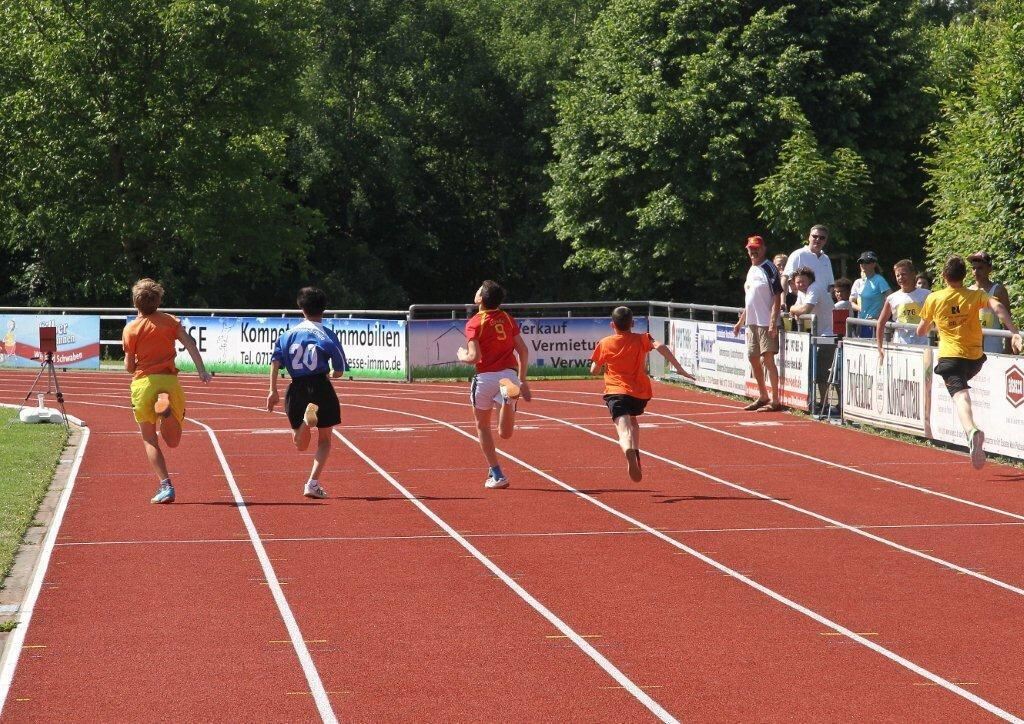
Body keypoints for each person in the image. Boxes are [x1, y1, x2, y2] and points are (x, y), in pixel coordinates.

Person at [916, 256, 1023, 469]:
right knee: (962, 388)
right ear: (965, 275)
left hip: (950, 357)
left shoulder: (934, 298)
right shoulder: (977, 295)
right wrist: (1014, 332)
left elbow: (921, 330)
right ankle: (972, 430)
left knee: (960, 397)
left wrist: (935, 324)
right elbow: (999, 308)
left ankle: (971, 430)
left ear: (943, 276)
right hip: (975, 359)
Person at [122, 278, 212, 504]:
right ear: (159, 300)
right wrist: (202, 371)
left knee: (150, 439)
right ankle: (167, 412)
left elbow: (129, 367)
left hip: (144, 383)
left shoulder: (131, 329)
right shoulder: (171, 321)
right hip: (170, 382)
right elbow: (190, 344)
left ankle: (166, 485)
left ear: (135, 303)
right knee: (173, 441)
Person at [590, 306, 694, 481]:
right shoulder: (642, 339)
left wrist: (601, 366)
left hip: (615, 391)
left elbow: (594, 370)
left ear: (612, 324)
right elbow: (660, 346)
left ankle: (628, 449)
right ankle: (635, 452)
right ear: (633, 323)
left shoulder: (605, 343)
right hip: (639, 394)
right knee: (633, 420)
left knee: (623, 431)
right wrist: (679, 368)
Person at [267, 288, 347, 499]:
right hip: (320, 386)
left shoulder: (286, 336)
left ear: (301, 308)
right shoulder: (327, 335)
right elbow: (339, 369)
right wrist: (332, 372)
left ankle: (305, 422)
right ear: (324, 309)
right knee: (325, 440)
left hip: (296, 387)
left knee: (300, 444)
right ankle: (312, 483)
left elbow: (275, 361)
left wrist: (273, 390)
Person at [457, 280, 531, 489]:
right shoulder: (507, 319)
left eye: (479, 289)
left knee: (482, 426)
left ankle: (497, 473)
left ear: (480, 298)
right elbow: (523, 351)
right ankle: (508, 400)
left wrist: (462, 356)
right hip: (509, 374)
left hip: (485, 377)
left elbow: (474, 356)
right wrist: (523, 379)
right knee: (505, 433)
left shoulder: (474, 322)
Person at [733, 235, 783, 412]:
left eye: (756, 248)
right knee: (753, 357)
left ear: (763, 249)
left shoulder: (769, 268)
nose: (753, 252)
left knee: (767, 359)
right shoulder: (752, 269)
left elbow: (777, 296)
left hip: (765, 322)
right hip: (752, 322)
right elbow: (750, 300)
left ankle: (776, 400)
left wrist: (772, 322)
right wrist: (741, 322)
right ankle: (763, 395)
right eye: (750, 249)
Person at [789, 266, 836, 407]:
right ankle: (816, 401)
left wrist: (791, 308)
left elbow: (804, 310)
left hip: (828, 334)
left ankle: (825, 403)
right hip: (817, 334)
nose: (800, 285)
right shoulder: (802, 292)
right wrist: (796, 310)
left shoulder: (814, 288)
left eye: (803, 281)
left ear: (810, 280)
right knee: (816, 369)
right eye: (798, 282)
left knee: (823, 370)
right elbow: (800, 310)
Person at [876, 259, 931, 360]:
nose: (901, 278)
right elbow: (881, 322)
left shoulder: (927, 294)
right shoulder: (892, 298)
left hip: (922, 345)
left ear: (913, 274)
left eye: (904, 274)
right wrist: (880, 347)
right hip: (900, 346)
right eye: (898, 275)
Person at [968, 251, 1013, 354]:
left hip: (993, 345)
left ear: (989, 269)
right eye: (973, 268)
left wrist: (1008, 347)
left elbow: (1007, 320)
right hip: (973, 346)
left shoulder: (998, 290)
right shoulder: (968, 291)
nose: (976, 271)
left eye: (980, 268)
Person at [850, 251, 891, 338]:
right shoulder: (858, 282)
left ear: (874, 264)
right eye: (861, 262)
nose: (863, 264)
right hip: (861, 323)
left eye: (867, 262)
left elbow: (891, 298)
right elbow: (851, 302)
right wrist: (860, 308)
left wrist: (882, 316)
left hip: (875, 323)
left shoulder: (879, 280)